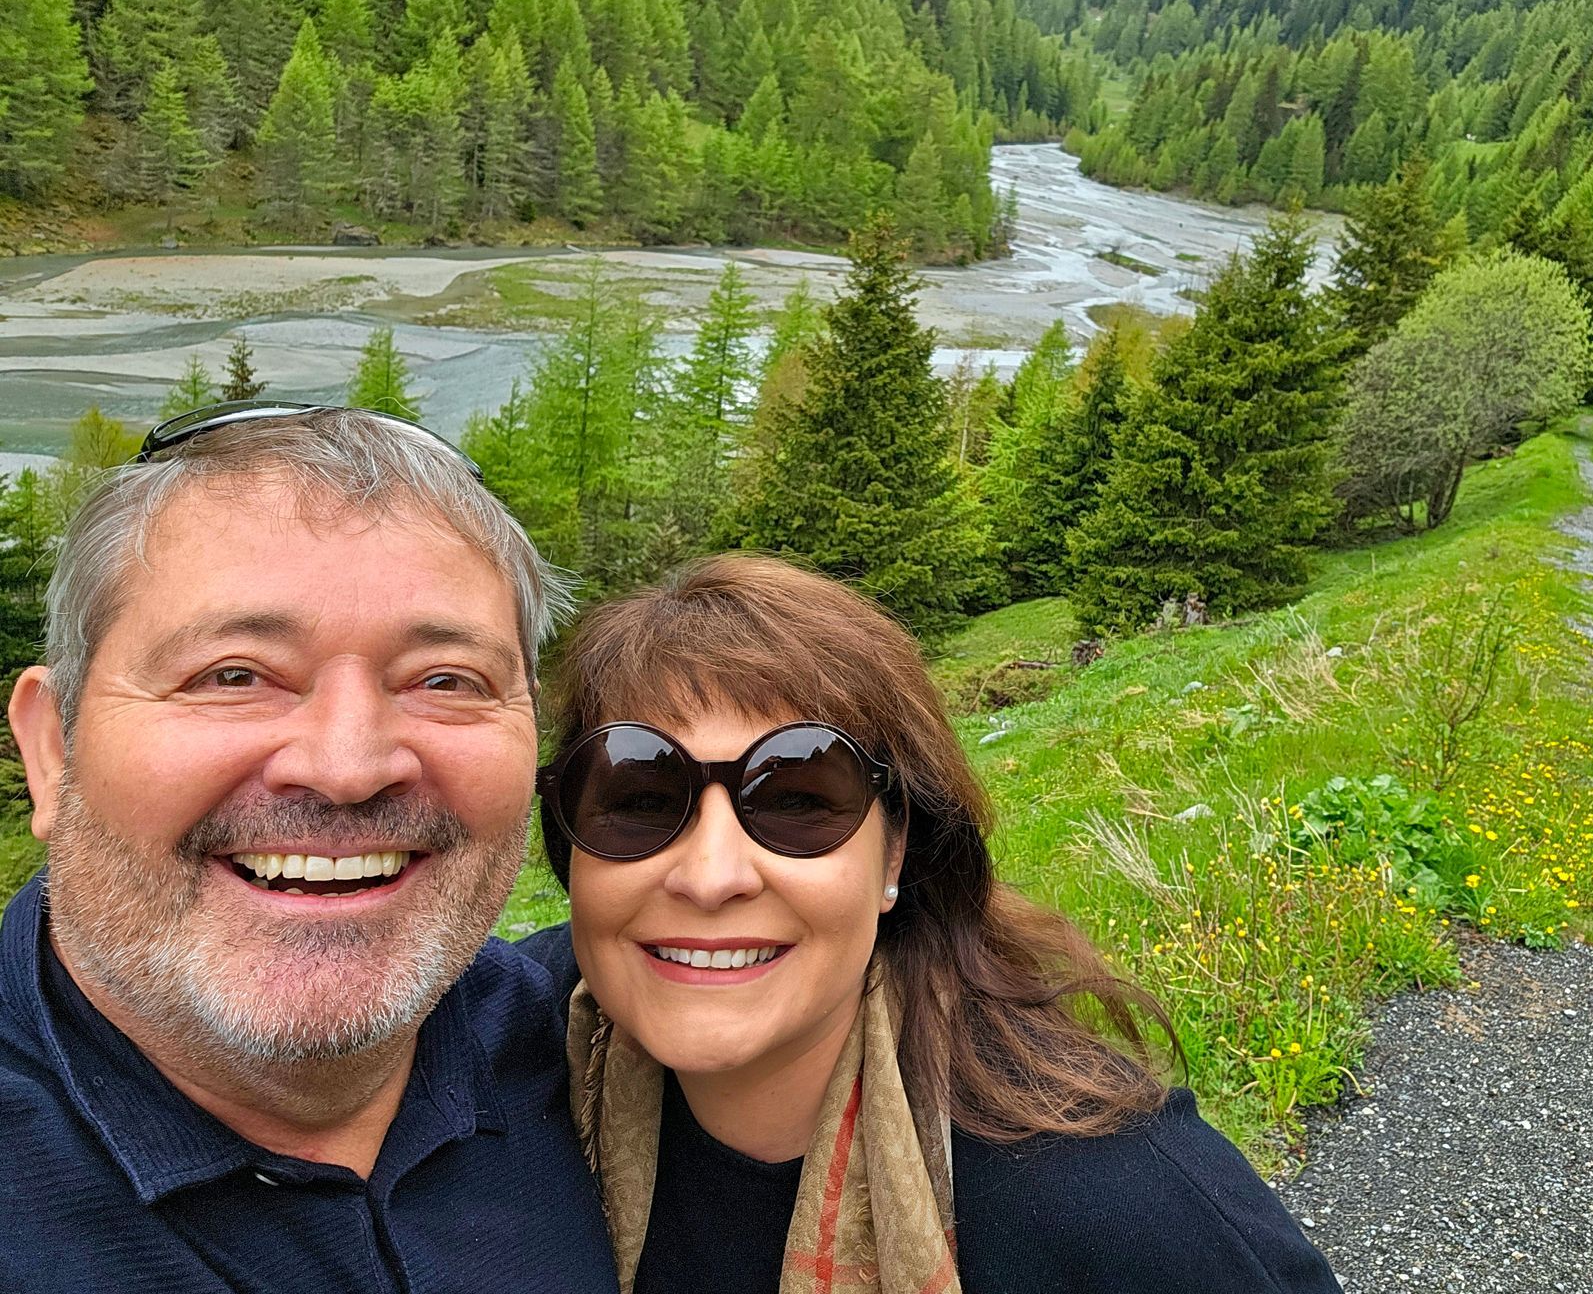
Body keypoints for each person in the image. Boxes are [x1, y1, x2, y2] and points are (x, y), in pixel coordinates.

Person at [537, 554, 1342, 1293]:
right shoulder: (504, 1060)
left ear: (895, 854)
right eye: (640, 803)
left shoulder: (1119, 1207)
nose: (711, 877)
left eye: (798, 802)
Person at [1, 403, 620, 1292]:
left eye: (445, 681)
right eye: (234, 675)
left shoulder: (597, 1047)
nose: (346, 767)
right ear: (52, 750)